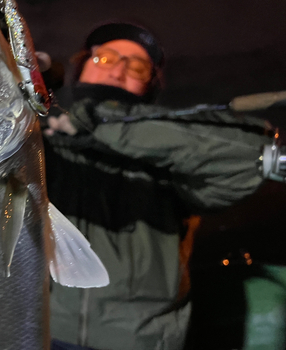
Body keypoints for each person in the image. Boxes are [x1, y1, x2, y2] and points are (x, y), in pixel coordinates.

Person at [43, 22, 283, 350]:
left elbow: (250, 152)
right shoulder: (42, 140)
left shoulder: (170, 150)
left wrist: (100, 123)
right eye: (106, 59)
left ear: (150, 84)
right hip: (35, 329)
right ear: (80, 66)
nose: (119, 70)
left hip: (137, 339)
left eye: (138, 66)